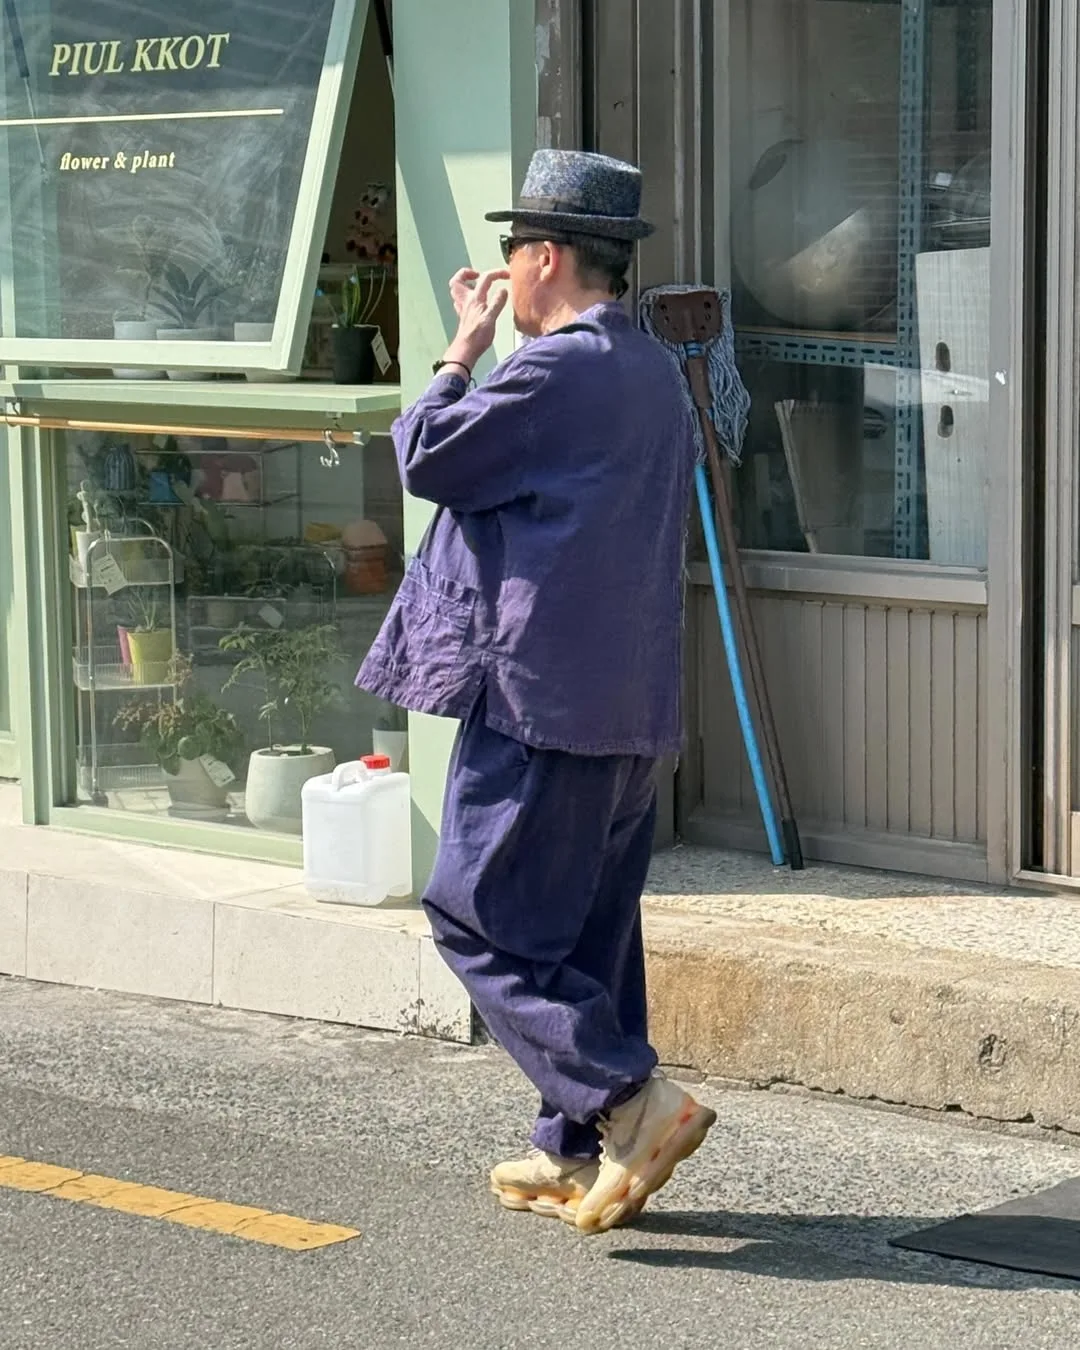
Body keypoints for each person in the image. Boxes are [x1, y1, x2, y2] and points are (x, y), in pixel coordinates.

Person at [356, 149, 715, 1234]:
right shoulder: (650, 369)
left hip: (539, 697)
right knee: (586, 937)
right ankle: (569, 1153)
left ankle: (627, 1098)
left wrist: (458, 352)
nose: (502, 282)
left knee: (476, 916)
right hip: (630, 703)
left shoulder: (547, 371)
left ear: (544, 258)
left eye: (512, 260)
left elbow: (428, 457)